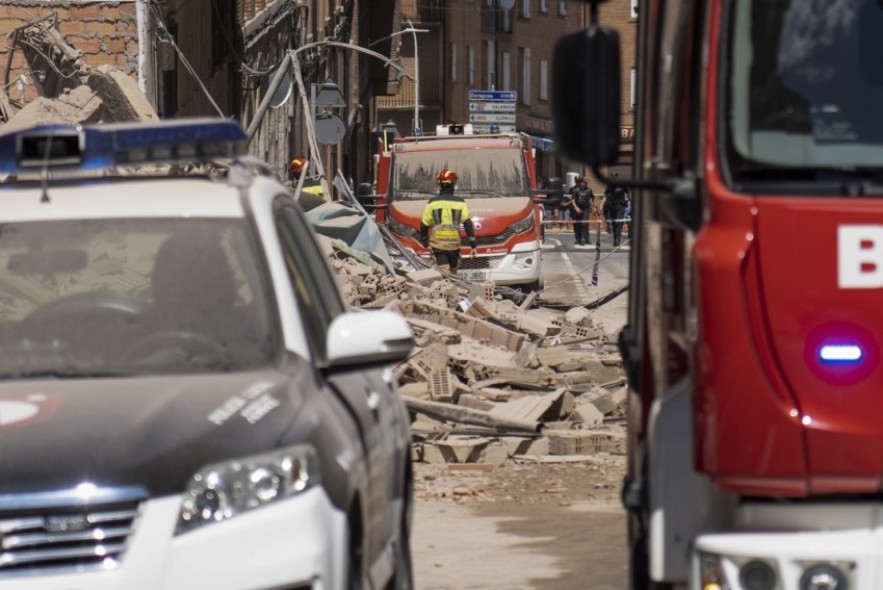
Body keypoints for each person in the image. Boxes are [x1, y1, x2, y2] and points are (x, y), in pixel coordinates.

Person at [418, 169, 477, 274]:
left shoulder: (432, 203)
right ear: (453, 185)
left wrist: (424, 241)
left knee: (443, 275)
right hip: (454, 246)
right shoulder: (460, 203)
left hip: (438, 246)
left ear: (439, 185)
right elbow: (467, 224)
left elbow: (424, 225)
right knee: (453, 275)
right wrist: (473, 244)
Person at [564, 177, 594, 246]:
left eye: (585, 182)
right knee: (577, 224)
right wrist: (575, 208)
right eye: (583, 182)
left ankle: (585, 238)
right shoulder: (574, 190)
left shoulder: (589, 190)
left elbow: (591, 199)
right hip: (576, 209)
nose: (584, 183)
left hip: (585, 209)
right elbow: (572, 200)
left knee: (584, 223)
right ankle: (577, 239)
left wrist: (592, 207)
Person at [603, 172, 628, 247]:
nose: (614, 178)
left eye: (615, 176)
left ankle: (618, 239)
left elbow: (627, 192)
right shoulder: (609, 185)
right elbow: (606, 194)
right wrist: (607, 202)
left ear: (617, 177)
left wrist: (627, 200)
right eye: (612, 176)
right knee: (614, 223)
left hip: (620, 206)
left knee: (618, 222)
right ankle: (615, 239)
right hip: (612, 206)